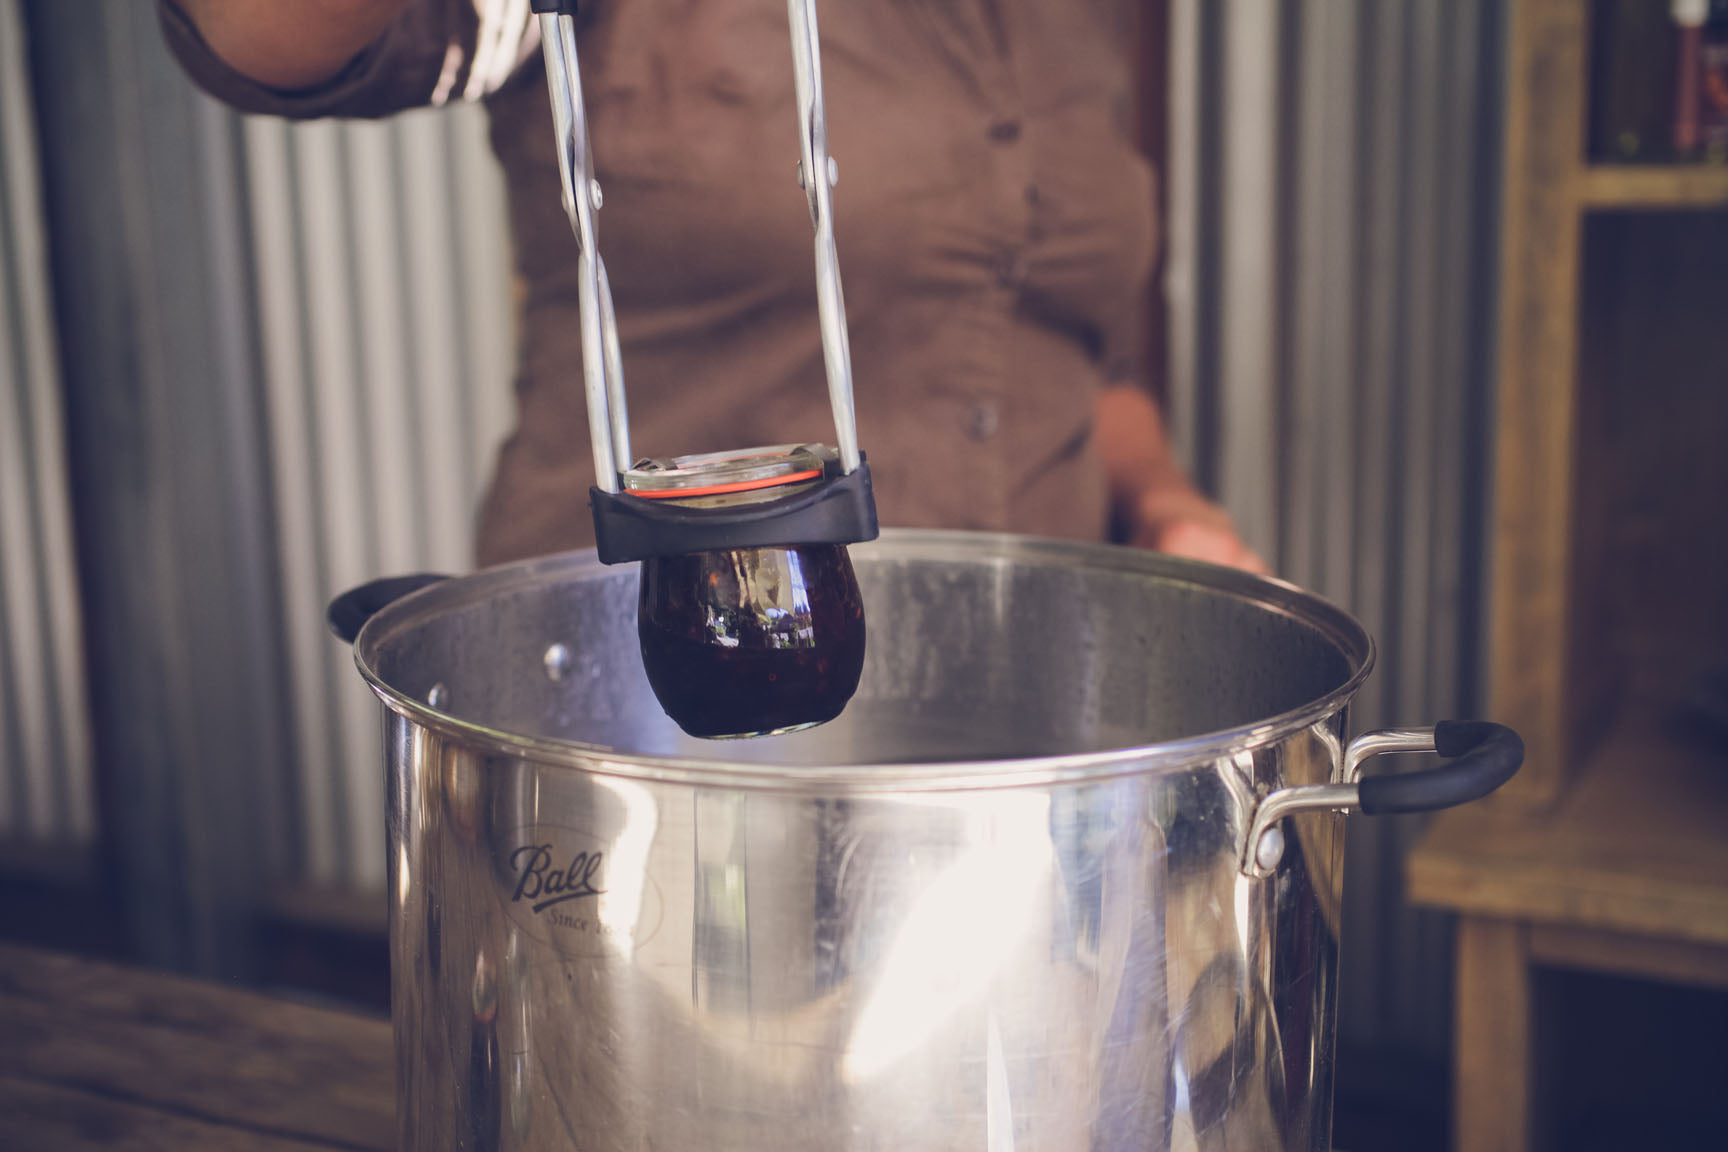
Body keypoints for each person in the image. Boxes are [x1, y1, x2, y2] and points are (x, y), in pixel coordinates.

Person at [159, 0, 1264, 574]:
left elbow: (1075, 346)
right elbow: (262, 38)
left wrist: (1163, 496)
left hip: (1027, 718)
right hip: (665, 714)